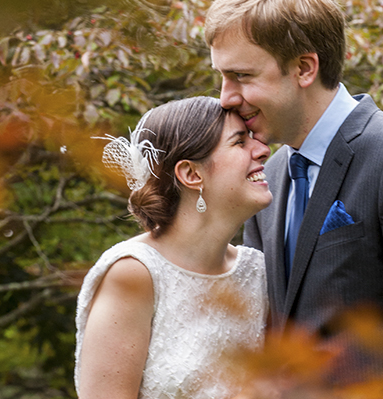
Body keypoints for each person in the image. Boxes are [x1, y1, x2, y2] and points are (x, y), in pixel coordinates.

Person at [205, 0, 383, 396]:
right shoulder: (271, 175)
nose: (226, 98)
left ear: (304, 68)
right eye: (223, 78)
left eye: (241, 76)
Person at [74, 96, 273, 399]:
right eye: (240, 142)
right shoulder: (134, 272)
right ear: (192, 174)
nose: (262, 149)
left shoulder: (260, 272)